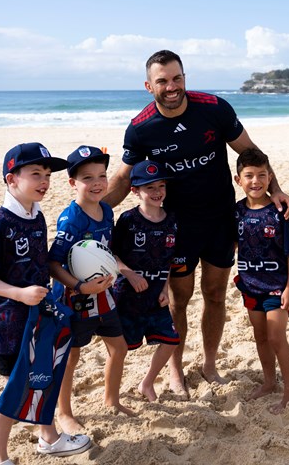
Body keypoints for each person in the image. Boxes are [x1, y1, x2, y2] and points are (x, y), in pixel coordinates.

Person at [104, 50, 289, 396]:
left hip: (221, 219)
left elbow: (251, 153)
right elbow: (122, 179)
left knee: (215, 294)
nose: (171, 86)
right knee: (179, 298)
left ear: (184, 78)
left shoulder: (214, 108)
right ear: (149, 86)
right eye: (162, 80)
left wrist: (277, 190)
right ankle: (174, 371)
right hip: (177, 228)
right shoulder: (141, 129)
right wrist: (94, 213)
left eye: (177, 78)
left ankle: (209, 364)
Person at [0, 142, 91, 465]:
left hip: (39, 316)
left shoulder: (36, 215)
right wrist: (20, 294)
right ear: (12, 179)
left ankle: (49, 437)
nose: (44, 181)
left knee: (44, 375)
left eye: (48, 175)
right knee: (17, 388)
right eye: (35, 174)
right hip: (10, 323)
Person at [48, 145, 133, 435]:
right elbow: (53, 263)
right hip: (74, 299)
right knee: (70, 357)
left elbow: (104, 252)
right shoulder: (71, 219)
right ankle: (65, 412)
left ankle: (111, 400)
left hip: (104, 295)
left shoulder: (107, 211)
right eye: (87, 178)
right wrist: (81, 286)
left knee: (119, 348)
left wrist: (124, 270)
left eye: (102, 176)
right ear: (73, 183)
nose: (97, 183)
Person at [232, 148, 289, 414]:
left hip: (277, 287)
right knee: (260, 337)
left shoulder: (279, 211)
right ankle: (269, 383)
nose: (255, 181)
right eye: (248, 175)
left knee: (276, 337)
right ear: (238, 180)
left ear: (270, 177)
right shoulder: (237, 211)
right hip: (250, 286)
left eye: (261, 175)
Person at [111, 160, 180, 402]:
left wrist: (165, 288)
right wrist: (129, 273)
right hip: (127, 296)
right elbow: (112, 254)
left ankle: (147, 383)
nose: (157, 192)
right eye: (149, 187)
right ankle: (112, 394)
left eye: (161, 186)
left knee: (171, 340)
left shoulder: (172, 220)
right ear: (135, 191)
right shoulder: (128, 220)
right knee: (120, 350)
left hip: (155, 297)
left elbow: (168, 260)